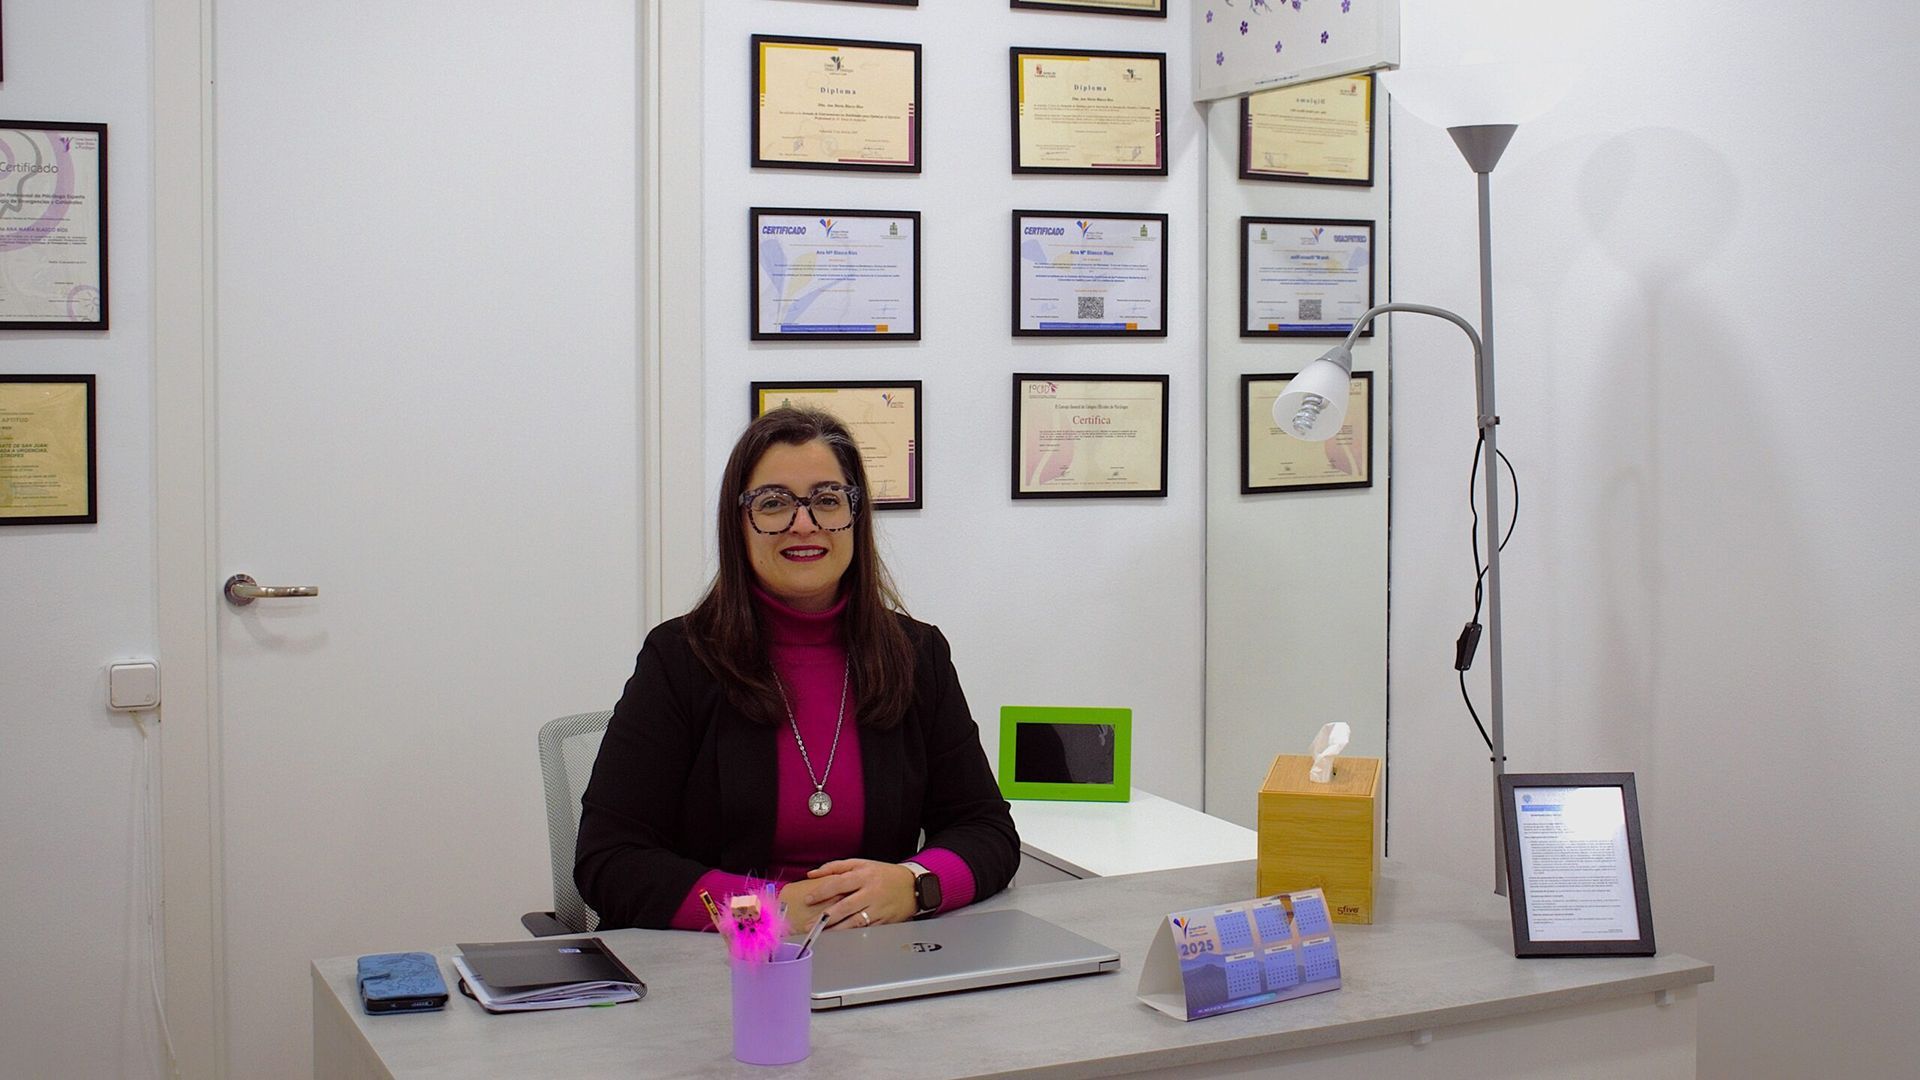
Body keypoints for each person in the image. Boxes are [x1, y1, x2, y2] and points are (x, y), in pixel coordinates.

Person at [575, 407, 1020, 932]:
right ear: (739, 523)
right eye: (773, 503)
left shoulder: (915, 654)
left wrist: (917, 884)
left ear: (856, 518)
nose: (804, 523)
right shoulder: (680, 658)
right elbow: (610, 860)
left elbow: (986, 829)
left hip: (873, 959)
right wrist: (764, 912)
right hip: (723, 969)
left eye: (828, 500)